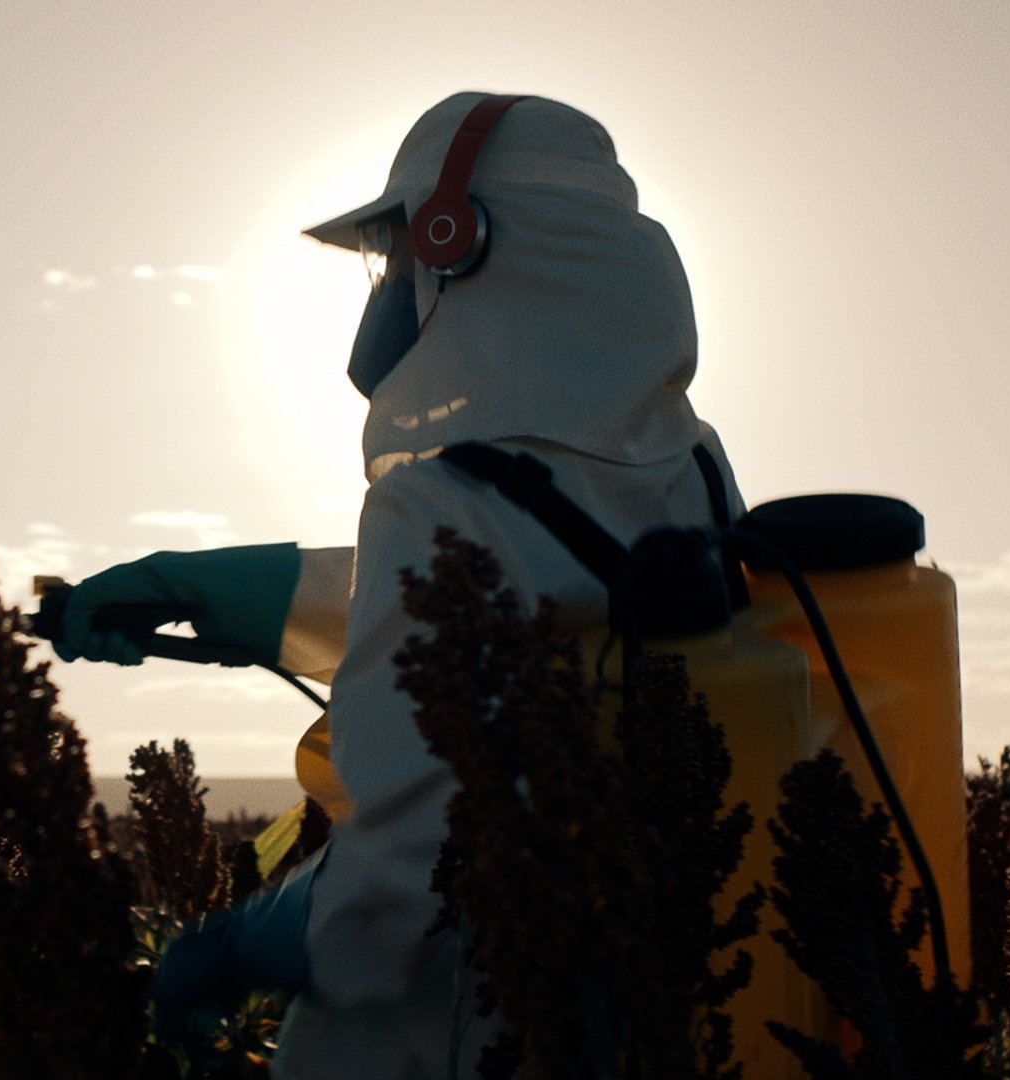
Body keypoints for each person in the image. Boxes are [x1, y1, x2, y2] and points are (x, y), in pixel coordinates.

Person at [52, 92, 745, 1078]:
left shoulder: (438, 501)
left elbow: (414, 858)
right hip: (649, 992)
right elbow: (527, 613)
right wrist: (233, 594)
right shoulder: (695, 466)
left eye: (395, 259)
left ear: (460, 244)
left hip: (461, 1025)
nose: (387, 291)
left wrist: (249, 941)